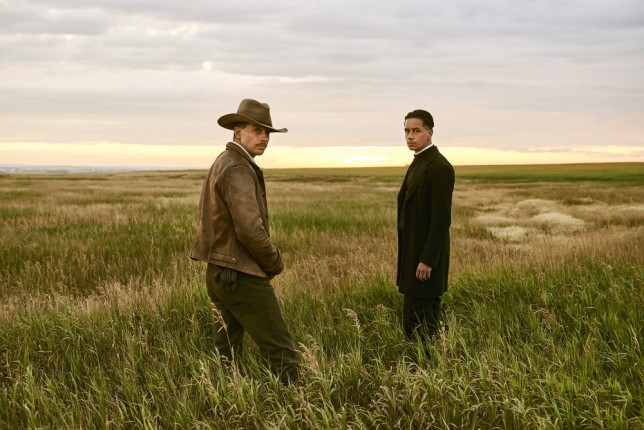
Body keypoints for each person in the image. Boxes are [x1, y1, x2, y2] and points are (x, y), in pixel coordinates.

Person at [190, 98, 299, 384]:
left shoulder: (223, 161)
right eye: (257, 130)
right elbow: (250, 230)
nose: (264, 138)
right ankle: (295, 403)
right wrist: (274, 262)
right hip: (240, 274)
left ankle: (228, 400)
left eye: (268, 132)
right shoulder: (237, 167)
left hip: (218, 272)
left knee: (228, 354)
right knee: (281, 351)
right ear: (238, 132)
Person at [397, 109, 455, 343]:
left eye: (416, 131)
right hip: (413, 255)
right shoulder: (419, 161)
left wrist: (428, 260)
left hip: (425, 261)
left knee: (424, 321)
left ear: (430, 132)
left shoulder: (439, 167)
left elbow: (441, 219)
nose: (410, 136)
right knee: (413, 320)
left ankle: (430, 361)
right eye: (406, 131)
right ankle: (420, 359)